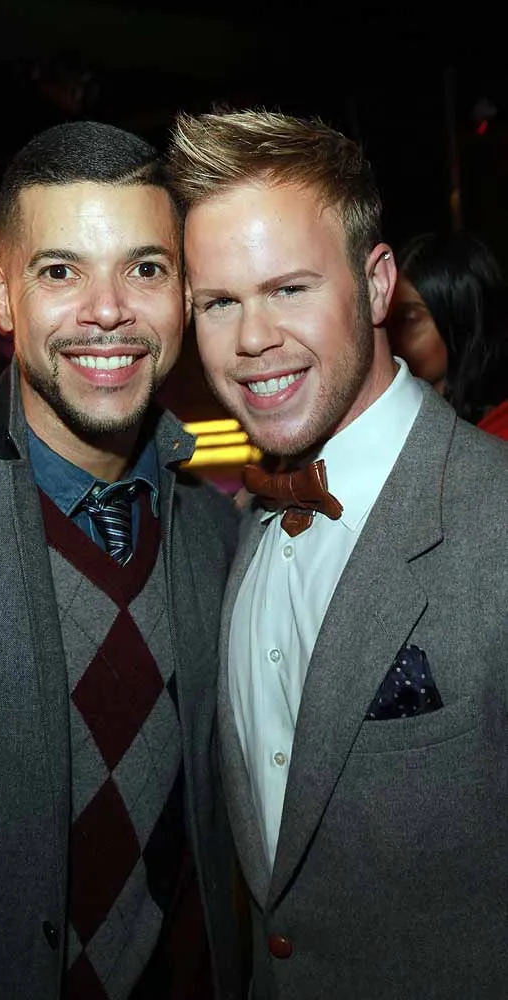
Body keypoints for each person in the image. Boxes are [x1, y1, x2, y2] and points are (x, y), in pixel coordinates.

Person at [0, 121, 244, 1000]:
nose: (108, 311)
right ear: (0, 292)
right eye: (61, 271)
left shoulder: (220, 539)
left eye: (145, 269)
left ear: (183, 292)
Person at [166, 108, 508, 1000]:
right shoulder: (232, 529)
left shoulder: (493, 520)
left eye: (288, 289)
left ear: (377, 281)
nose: (251, 339)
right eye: (218, 303)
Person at [387, 228, 508, 436]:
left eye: (409, 320)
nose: (388, 337)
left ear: (461, 321)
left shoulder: (499, 435)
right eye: (385, 321)